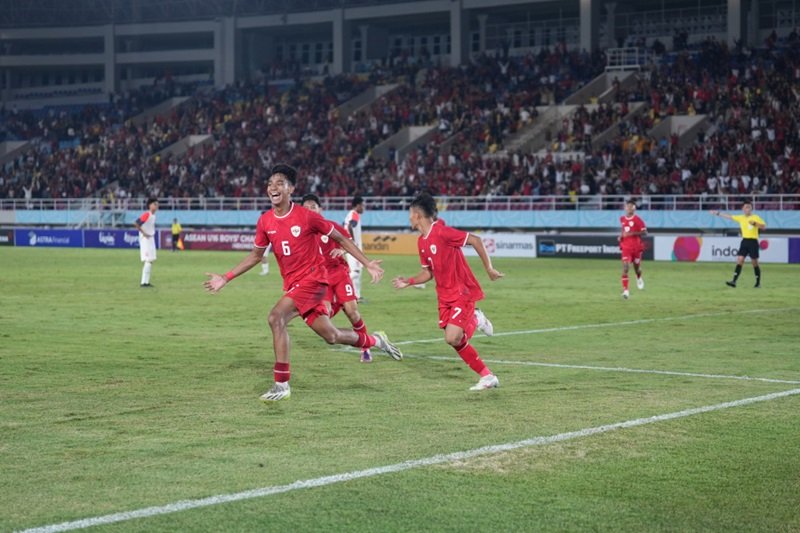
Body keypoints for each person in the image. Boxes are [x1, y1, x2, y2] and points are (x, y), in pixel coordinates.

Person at [204, 164, 402, 402]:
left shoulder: (307, 217)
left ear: (291, 189)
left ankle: (282, 384)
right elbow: (256, 256)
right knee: (332, 335)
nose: (273, 187)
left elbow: (340, 238)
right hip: (295, 285)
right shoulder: (265, 221)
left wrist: (366, 262)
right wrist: (226, 277)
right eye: (270, 183)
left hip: (314, 280)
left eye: (279, 183)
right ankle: (377, 341)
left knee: (275, 318)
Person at [392, 193, 502, 391]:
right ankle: (487, 376)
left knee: (452, 337)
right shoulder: (421, 242)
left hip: (462, 291)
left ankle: (476, 319)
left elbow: (475, 240)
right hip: (444, 296)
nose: (408, 218)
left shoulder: (442, 233)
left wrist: (489, 269)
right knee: (455, 340)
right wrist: (408, 281)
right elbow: (428, 273)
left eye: (410, 213)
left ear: (417, 215)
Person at [302, 193, 377, 363]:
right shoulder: (302, 234)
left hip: (339, 273)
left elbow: (347, 241)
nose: (310, 210)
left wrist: (342, 250)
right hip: (321, 279)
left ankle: (366, 347)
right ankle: (338, 304)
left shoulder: (330, 226)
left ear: (320, 209)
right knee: (325, 319)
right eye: (306, 208)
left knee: (352, 312)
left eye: (313, 206)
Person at [711, 201, 766, 288]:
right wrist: (717, 213)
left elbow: (763, 226)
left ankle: (758, 283)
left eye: (749, 207)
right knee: (740, 260)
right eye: (746, 207)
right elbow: (729, 217)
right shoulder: (741, 218)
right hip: (744, 241)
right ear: (743, 209)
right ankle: (734, 281)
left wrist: (755, 223)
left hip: (753, 241)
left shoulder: (755, 217)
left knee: (754, 263)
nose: (748, 208)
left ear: (751, 208)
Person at [618, 199, 647, 299]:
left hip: (636, 247)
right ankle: (626, 291)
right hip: (626, 247)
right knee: (625, 268)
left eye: (631, 206)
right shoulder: (622, 219)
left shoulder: (638, 220)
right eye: (628, 206)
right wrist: (621, 236)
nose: (629, 208)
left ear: (634, 208)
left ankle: (638, 277)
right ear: (625, 208)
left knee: (637, 269)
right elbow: (623, 231)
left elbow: (645, 232)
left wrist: (632, 233)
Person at [343, 196, 365, 301]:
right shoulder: (354, 215)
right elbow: (351, 226)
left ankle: (357, 296)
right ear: (358, 205)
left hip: (352, 247)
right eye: (363, 205)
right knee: (355, 272)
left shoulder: (350, 214)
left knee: (358, 272)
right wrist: (352, 240)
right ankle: (342, 290)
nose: (364, 207)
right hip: (353, 248)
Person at [134, 198, 158, 288]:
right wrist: (143, 232)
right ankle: (143, 282)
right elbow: (137, 223)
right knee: (148, 260)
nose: (156, 206)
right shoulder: (147, 214)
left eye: (157, 204)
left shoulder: (153, 216)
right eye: (154, 204)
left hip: (150, 238)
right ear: (150, 205)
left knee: (151, 260)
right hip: (146, 239)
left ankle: (146, 282)